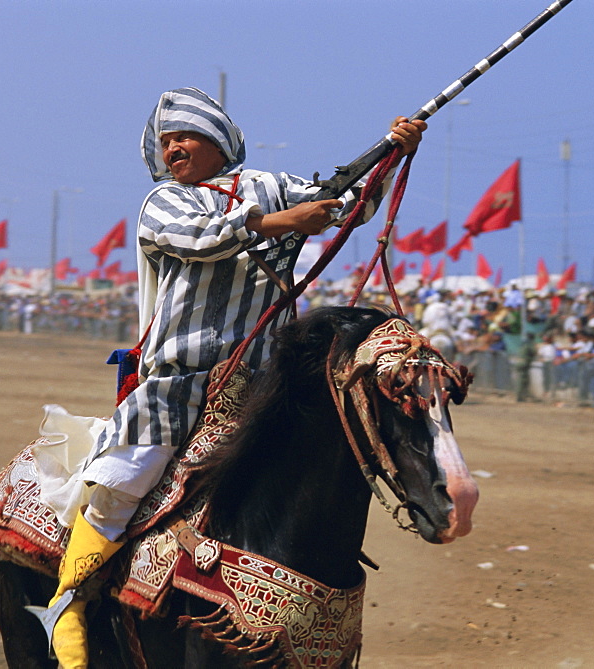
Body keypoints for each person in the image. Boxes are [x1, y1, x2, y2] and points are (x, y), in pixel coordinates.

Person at [33, 87, 425, 668]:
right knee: (119, 488)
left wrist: (392, 155)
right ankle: (68, 613)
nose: (172, 150)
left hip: (263, 386)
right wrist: (282, 221)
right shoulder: (164, 201)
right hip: (175, 387)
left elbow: (346, 203)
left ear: (217, 142)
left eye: (183, 138)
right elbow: (201, 239)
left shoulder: (270, 183)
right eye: (165, 142)